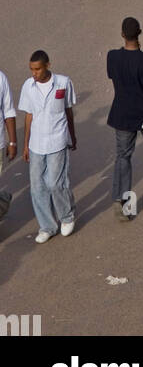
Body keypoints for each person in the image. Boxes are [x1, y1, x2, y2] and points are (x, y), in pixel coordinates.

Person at [107, 17, 143, 220]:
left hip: (121, 113)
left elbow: (116, 83)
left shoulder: (112, 57)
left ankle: (122, 201)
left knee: (123, 156)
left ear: (122, 34)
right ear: (139, 33)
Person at [18, 50, 76, 242]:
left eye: (37, 69)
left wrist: (72, 136)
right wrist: (26, 145)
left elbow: (68, 111)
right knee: (37, 187)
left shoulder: (63, 83)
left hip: (57, 140)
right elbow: (28, 116)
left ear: (47, 65)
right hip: (36, 144)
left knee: (55, 183)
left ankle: (66, 217)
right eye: (31, 69)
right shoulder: (28, 86)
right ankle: (47, 226)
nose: (34, 73)